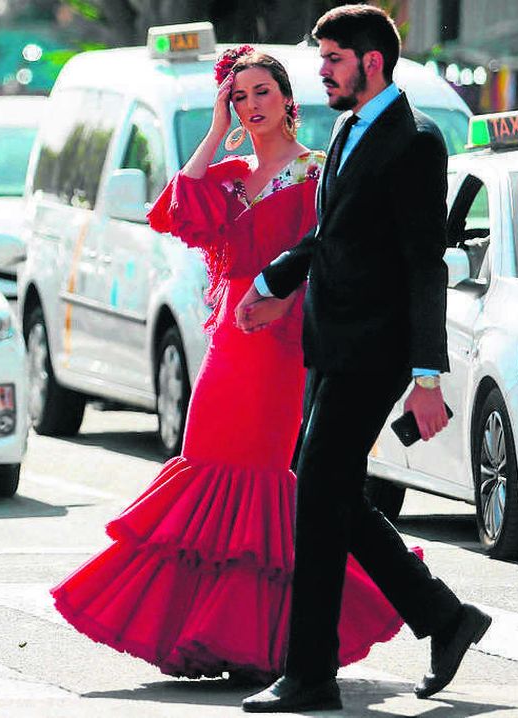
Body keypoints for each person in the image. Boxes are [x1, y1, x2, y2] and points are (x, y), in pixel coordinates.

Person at [50, 46, 410, 684]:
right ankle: (206, 634)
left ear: (287, 97)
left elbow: (331, 258)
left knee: (264, 484)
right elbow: (174, 209)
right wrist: (216, 131)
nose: (251, 105)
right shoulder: (231, 172)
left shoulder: (315, 171)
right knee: (204, 469)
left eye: (262, 91)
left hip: (281, 344)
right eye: (238, 97)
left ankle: (263, 644)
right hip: (227, 346)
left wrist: (283, 302)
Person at [236, 6, 491, 712]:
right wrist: (273, 281)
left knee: (318, 497)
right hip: (331, 342)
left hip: (374, 352)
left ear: (371, 62)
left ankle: (310, 674)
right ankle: (444, 617)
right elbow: (333, 234)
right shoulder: (349, 128)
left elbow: (423, 262)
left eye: (333, 59)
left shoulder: (416, 142)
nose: (321, 71)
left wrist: (426, 376)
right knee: (330, 493)